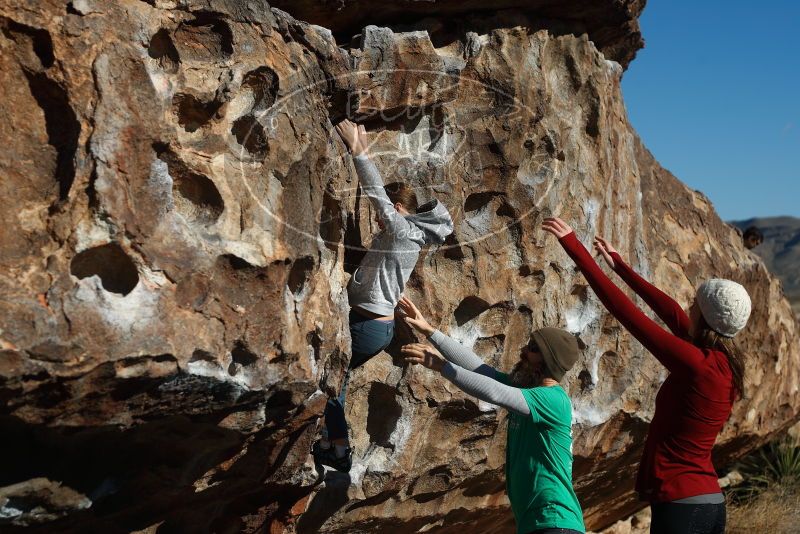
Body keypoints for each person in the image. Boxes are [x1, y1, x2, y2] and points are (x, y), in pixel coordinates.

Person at [542, 217, 751, 534]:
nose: (688, 307)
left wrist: (574, 246)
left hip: (683, 506)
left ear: (705, 317)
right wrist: (620, 266)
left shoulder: (696, 364)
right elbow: (670, 312)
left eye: (694, 304)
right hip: (708, 503)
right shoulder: (722, 364)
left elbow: (628, 313)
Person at [312, 120, 453, 472]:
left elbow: (376, 194)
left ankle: (340, 448)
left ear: (399, 210)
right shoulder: (405, 235)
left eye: (386, 213)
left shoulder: (402, 232)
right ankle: (334, 443)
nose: (378, 219)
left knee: (331, 379)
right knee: (337, 379)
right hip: (373, 323)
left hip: (369, 325)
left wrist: (358, 152)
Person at [399, 296, 586, 534]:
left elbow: (495, 392)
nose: (524, 350)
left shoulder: (552, 400)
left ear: (547, 361)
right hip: (539, 523)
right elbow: (480, 370)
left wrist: (441, 366)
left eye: (533, 348)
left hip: (554, 521)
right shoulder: (528, 392)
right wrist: (429, 331)